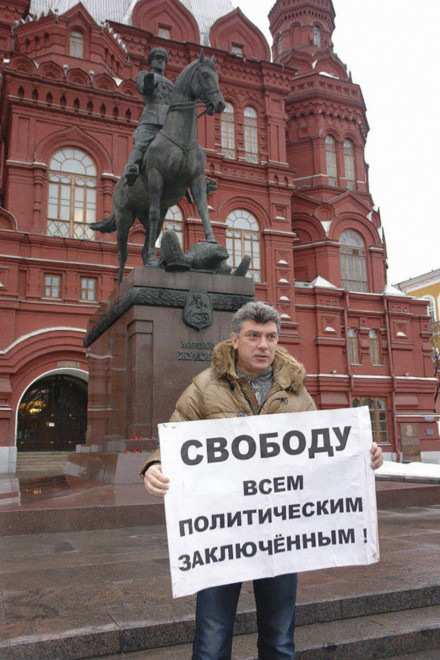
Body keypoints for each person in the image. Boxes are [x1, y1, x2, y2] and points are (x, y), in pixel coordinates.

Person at [142, 301, 383, 660]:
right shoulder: (205, 386)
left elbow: (323, 451)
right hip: (221, 533)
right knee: (211, 639)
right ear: (235, 340)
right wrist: (153, 466)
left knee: (280, 640)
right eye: (253, 336)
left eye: (270, 337)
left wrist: (364, 455)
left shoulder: (296, 391)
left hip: (281, 531)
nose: (263, 345)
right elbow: (174, 438)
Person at [124, 47, 174, 186]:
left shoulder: (171, 84)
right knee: (141, 142)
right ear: (151, 62)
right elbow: (143, 88)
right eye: (157, 58)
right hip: (151, 117)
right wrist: (149, 83)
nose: (160, 60)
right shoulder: (144, 75)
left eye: (163, 59)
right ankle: (132, 167)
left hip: (168, 123)